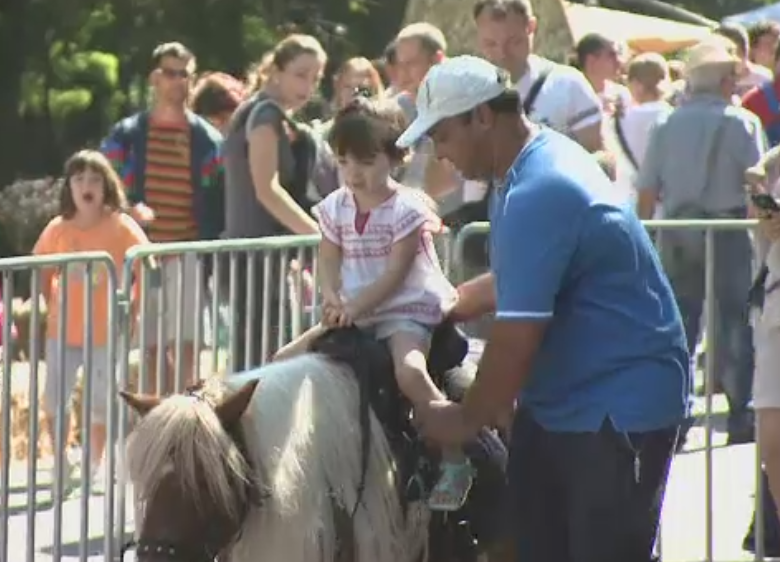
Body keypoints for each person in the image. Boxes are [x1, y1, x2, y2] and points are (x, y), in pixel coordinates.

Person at [404, 56, 689, 562]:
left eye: (443, 136)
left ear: (482, 117)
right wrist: (449, 303)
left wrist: (465, 419)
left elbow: (515, 339)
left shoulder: (539, 188)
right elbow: (530, 272)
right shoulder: (529, 169)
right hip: (569, 405)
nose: (439, 153)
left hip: (615, 408)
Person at [273, 98, 471, 512]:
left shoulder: (407, 209)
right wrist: (331, 296)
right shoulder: (335, 206)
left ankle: (454, 454)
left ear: (396, 157)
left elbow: (396, 275)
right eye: (344, 161)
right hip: (357, 308)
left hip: (404, 308)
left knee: (410, 371)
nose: (353, 173)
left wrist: (355, 306)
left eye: (365, 161)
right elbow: (328, 256)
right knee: (284, 358)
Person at [100, 42, 224, 395]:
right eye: (171, 73)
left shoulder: (206, 138)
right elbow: (103, 183)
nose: (179, 82)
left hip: (187, 251)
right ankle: (158, 416)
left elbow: (217, 196)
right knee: (152, 346)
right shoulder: (128, 135)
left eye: (185, 74)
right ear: (155, 77)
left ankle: (186, 414)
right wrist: (129, 210)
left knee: (188, 344)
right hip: (145, 256)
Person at [33, 150, 148, 492]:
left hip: (104, 331)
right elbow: (41, 268)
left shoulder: (121, 226)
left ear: (107, 187)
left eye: (95, 180)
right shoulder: (58, 228)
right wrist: (47, 303)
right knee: (55, 396)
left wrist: (134, 309)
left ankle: (93, 464)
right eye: (79, 179)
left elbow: (143, 263)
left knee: (100, 398)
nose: (87, 186)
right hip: (62, 330)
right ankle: (61, 461)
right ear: (68, 186)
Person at [222, 34, 326, 370]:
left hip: (266, 258)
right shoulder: (265, 115)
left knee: (264, 353)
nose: (308, 86)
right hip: (257, 255)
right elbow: (267, 189)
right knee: (261, 356)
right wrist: (320, 237)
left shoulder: (269, 115)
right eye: (300, 74)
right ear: (276, 72)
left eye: (316, 78)